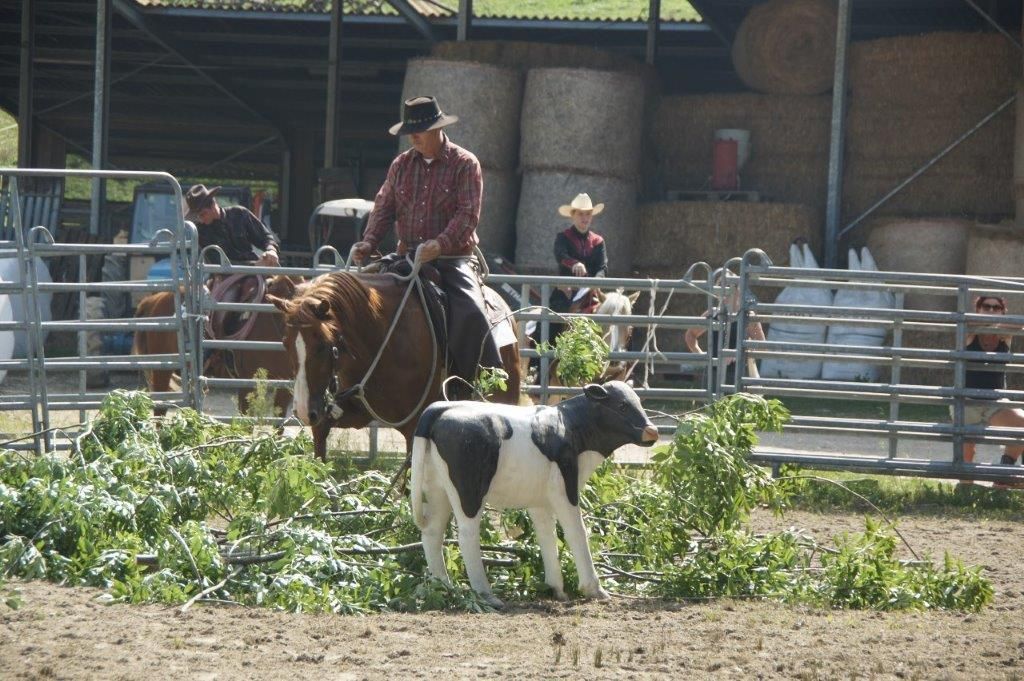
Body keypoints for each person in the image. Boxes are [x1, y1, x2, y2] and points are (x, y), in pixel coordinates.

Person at [351, 95, 502, 387]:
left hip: (452, 259)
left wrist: (441, 244)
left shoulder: (465, 164)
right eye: (410, 133)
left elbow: (468, 214)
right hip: (406, 256)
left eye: (417, 132)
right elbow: (384, 207)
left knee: (470, 312)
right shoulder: (401, 165)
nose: (413, 139)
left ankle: (478, 382)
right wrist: (369, 242)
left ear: (436, 129)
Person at [953, 295, 1024, 486]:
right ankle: (965, 488)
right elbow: (967, 323)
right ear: (978, 309)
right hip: (966, 400)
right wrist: (989, 324)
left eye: (996, 307)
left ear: (1003, 311)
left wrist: (995, 325)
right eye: (986, 306)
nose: (991, 310)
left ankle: (1003, 473)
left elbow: (1019, 326)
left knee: (1022, 424)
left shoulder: (1004, 335)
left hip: (996, 401)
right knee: (967, 448)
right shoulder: (970, 333)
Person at [684, 275, 765, 391]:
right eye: (720, 287)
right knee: (711, 407)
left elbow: (762, 347)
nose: (724, 292)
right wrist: (702, 356)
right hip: (713, 372)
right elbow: (690, 335)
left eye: (728, 287)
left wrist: (740, 352)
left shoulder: (748, 316)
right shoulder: (712, 313)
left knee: (738, 408)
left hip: (739, 372)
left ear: (738, 291)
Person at [185, 184, 281, 267]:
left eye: (203, 214)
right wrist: (255, 265)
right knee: (249, 285)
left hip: (255, 270)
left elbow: (265, 237)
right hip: (225, 276)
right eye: (198, 216)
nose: (201, 220)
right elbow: (217, 264)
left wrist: (271, 250)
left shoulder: (240, 214)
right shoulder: (202, 231)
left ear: (213, 205)